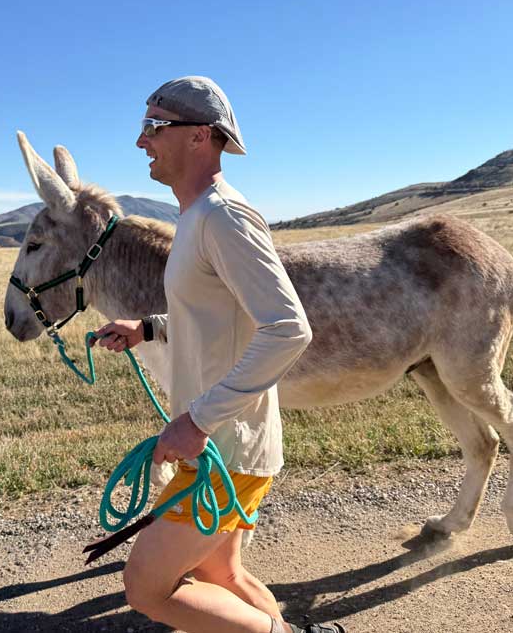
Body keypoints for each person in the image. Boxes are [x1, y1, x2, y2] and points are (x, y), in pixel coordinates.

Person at [93, 76, 345, 633]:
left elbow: (287, 328)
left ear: (199, 136)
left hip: (225, 447)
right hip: (223, 445)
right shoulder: (196, 216)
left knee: (146, 587)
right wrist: (148, 328)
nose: (141, 140)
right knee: (221, 576)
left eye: (154, 126)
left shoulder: (224, 217)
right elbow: (220, 316)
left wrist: (198, 420)